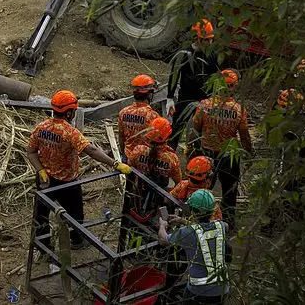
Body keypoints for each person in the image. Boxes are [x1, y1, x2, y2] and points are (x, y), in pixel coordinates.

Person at [27, 90, 133, 250]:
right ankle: (76, 240)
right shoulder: (70, 133)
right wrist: (115, 163)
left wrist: (40, 169)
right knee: (75, 214)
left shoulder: (41, 127)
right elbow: (91, 150)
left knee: (41, 214)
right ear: (69, 112)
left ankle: (42, 245)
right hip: (66, 182)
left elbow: (31, 152)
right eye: (74, 111)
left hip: (44, 179)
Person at [191, 69, 253, 229]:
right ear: (233, 87)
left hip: (206, 153)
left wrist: (193, 150)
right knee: (229, 193)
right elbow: (245, 135)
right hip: (228, 157)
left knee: (201, 188)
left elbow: (194, 129)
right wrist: (249, 153)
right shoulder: (238, 109)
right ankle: (228, 225)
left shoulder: (204, 105)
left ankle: (196, 219)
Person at [157, 189, 231, 304]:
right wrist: (183, 221)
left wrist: (162, 225)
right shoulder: (221, 226)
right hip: (222, 288)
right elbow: (204, 229)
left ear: (192, 211)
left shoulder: (187, 233)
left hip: (198, 292)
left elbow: (163, 240)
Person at [168, 19, 222, 147]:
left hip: (204, 101)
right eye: (206, 40)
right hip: (185, 99)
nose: (209, 42)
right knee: (176, 130)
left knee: (200, 135)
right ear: (197, 38)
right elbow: (174, 76)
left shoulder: (212, 56)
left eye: (211, 39)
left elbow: (215, 78)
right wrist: (170, 98)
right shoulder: (184, 54)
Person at [118, 74, 161, 160]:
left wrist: (123, 154)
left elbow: (121, 137)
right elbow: (158, 142)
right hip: (145, 160)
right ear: (149, 94)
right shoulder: (153, 116)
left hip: (128, 157)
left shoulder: (123, 113)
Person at [171, 156, 223, 221]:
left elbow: (168, 200)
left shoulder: (182, 185)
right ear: (207, 179)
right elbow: (214, 225)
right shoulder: (208, 200)